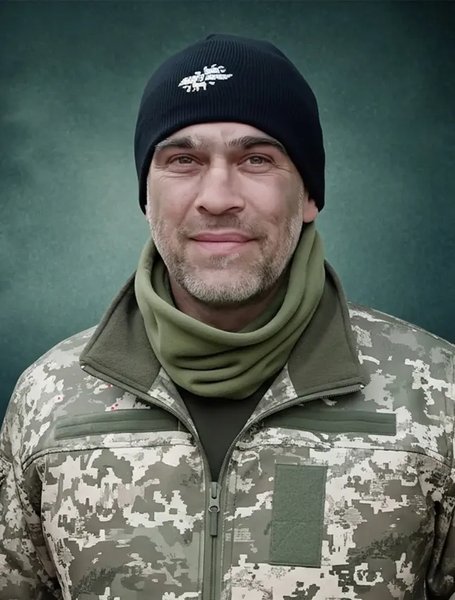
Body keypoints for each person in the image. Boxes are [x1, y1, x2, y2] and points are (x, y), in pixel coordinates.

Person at [0, 33, 453, 600]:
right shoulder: (48, 399)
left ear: (309, 196)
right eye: (182, 160)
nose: (217, 197)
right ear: (146, 197)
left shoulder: (437, 394)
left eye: (257, 159)